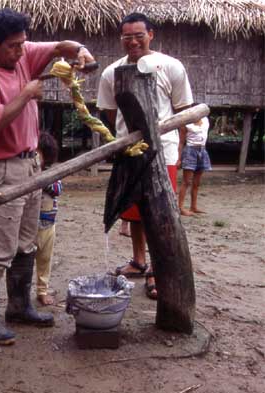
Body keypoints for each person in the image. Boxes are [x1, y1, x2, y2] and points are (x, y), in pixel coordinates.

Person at [0, 8, 96, 344]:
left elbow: (60, 47)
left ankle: (19, 306)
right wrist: (26, 94)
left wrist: (80, 51)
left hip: (31, 163)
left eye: (23, 44)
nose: (21, 51)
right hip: (3, 168)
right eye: (13, 46)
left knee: (27, 241)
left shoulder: (21, 54)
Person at [96, 13, 193, 300]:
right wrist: (124, 140)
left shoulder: (171, 66)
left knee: (161, 211)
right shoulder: (111, 73)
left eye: (139, 35)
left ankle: (157, 270)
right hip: (129, 149)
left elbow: (182, 111)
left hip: (164, 148)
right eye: (127, 36)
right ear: (121, 38)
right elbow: (110, 114)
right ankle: (139, 261)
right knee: (134, 209)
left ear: (151, 34)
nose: (133, 41)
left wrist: (177, 148)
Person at [35, 132, 62, 306]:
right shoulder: (26, 173)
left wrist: (41, 179)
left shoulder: (53, 175)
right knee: (23, 258)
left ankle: (42, 290)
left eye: (37, 153)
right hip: (29, 226)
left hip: (48, 226)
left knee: (45, 260)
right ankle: (20, 292)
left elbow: (57, 189)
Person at [178, 117, 212, 216]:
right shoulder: (186, 122)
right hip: (190, 151)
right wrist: (179, 158)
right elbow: (181, 142)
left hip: (202, 150)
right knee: (186, 181)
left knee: (197, 182)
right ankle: (180, 207)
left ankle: (193, 207)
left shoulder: (205, 120)